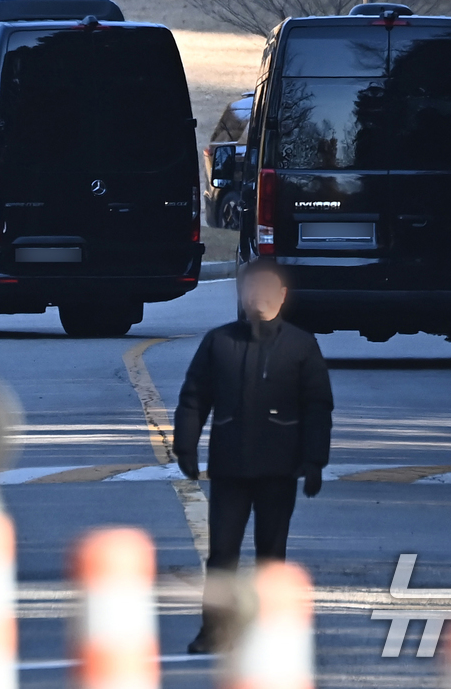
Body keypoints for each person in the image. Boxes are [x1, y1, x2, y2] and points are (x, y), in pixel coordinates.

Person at [172, 258, 333, 654]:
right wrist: (186, 446)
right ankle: (214, 631)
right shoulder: (219, 342)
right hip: (229, 467)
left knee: (271, 556)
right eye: (251, 289)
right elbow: (194, 398)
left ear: (281, 295)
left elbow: (317, 407)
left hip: (279, 469)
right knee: (222, 555)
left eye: (267, 289)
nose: (258, 296)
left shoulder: (301, 345)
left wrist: (315, 461)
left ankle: (271, 630)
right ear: (242, 295)